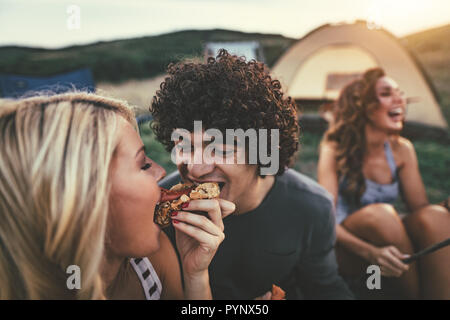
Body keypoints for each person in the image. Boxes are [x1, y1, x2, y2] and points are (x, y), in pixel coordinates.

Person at [150, 50, 354, 300]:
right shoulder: (161, 210)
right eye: (185, 146)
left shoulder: (312, 207)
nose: (194, 167)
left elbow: (326, 290)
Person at [0, 92, 235, 299]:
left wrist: (195, 275)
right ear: (82, 200)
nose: (162, 172)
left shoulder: (155, 259)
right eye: (142, 164)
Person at [317, 68, 450, 299]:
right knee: (383, 216)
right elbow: (325, 222)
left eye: (400, 92)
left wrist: (446, 206)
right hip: (347, 248)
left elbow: (421, 212)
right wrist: (372, 253)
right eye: (387, 93)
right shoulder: (334, 149)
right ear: (365, 106)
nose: (400, 99)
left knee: (435, 216)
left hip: (392, 242)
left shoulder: (402, 149)